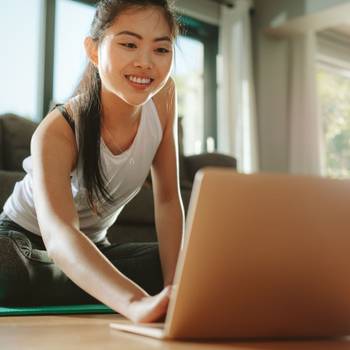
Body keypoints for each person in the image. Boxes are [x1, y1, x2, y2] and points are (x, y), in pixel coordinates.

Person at [0, 0, 184, 323]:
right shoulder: (57, 130)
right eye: (129, 44)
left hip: (94, 248)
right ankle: (86, 281)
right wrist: (133, 302)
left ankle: (85, 280)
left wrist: (175, 288)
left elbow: (168, 199)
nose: (145, 63)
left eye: (161, 50)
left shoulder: (165, 99)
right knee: (8, 268)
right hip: (24, 242)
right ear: (94, 50)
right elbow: (59, 235)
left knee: (186, 263)